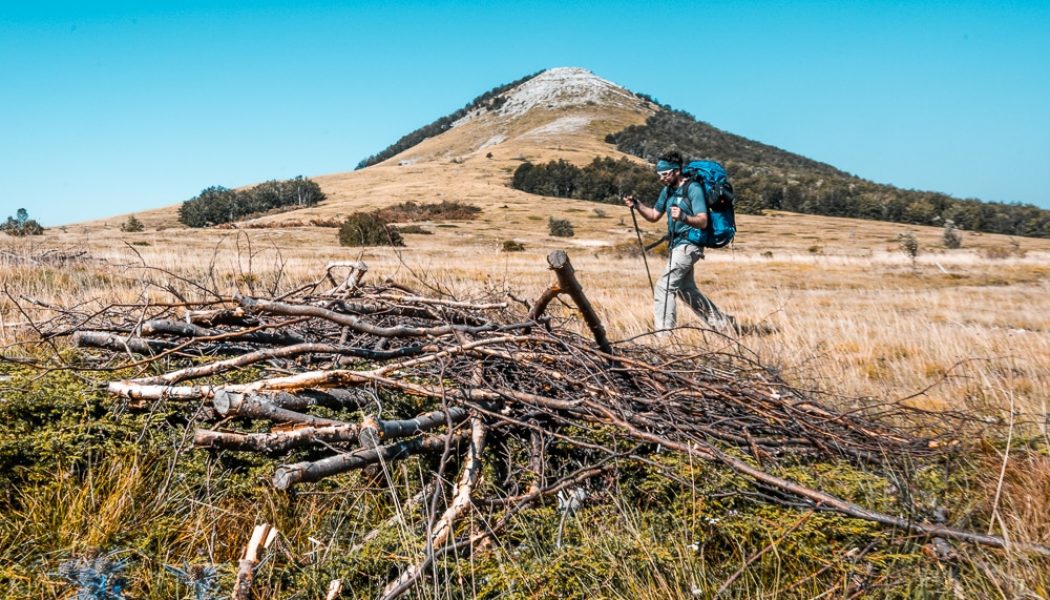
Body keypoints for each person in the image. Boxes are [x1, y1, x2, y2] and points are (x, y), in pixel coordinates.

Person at [623, 151, 736, 334]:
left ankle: (664, 336)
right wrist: (637, 205)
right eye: (659, 174)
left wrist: (683, 216)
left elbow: (703, 220)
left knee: (664, 286)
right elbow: (653, 216)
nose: (661, 178)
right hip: (676, 245)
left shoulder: (693, 189)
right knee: (685, 289)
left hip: (689, 245)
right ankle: (722, 323)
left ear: (676, 171)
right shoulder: (668, 191)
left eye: (664, 174)